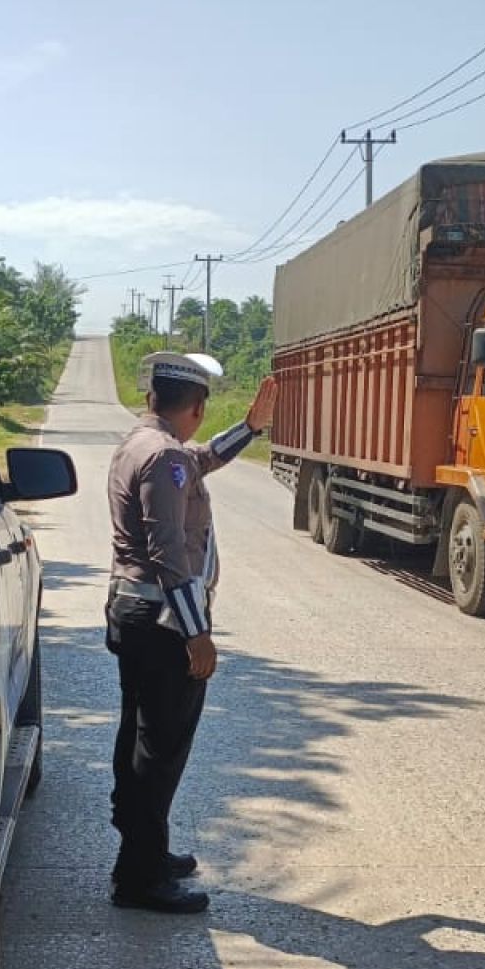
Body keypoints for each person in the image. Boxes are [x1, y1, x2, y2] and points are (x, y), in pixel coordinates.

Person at [104, 351, 278, 913]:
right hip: (161, 622)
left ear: (153, 398)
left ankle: (145, 851)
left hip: (138, 615)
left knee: (142, 737)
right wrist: (196, 632)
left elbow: (199, 461)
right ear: (197, 407)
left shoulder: (146, 444)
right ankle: (140, 877)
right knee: (160, 748)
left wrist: (250, 429)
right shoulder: (163, 459)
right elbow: (168, 554)